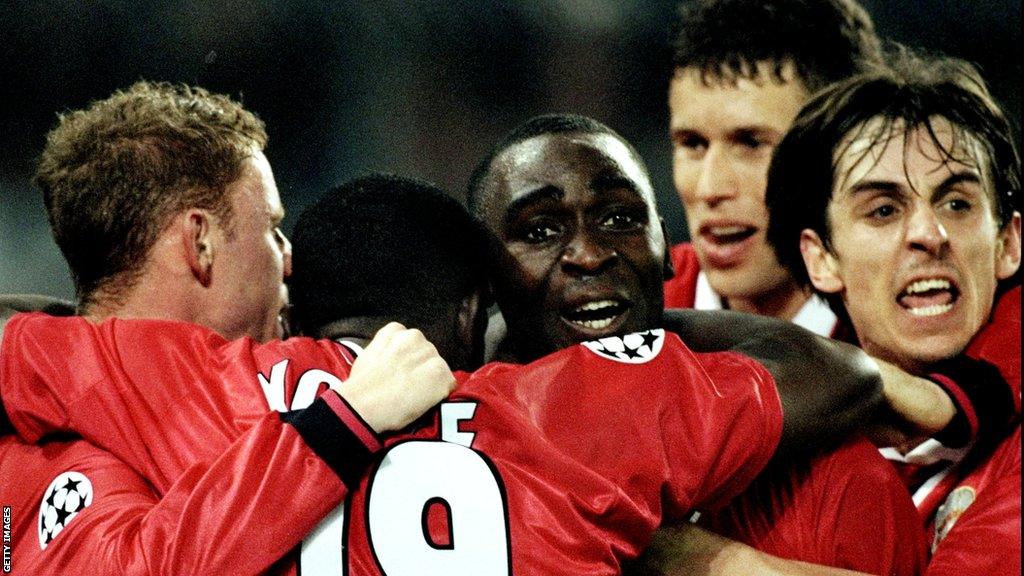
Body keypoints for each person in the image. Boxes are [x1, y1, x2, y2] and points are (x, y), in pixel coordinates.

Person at [6, 174, 900, 574]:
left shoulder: (183, 385)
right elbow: (831, 372)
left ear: (302, 311)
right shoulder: (566, 414)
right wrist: (608, 334)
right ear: (480, 310)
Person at [0, 81, 456, 574]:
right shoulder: (53, 447)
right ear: (201, 243)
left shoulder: (86, 379)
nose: (288, 258)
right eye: (271, 227)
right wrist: (347, 420)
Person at [467, 113, 932, 574]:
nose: (589, 255)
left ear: (666, 250)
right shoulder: (428, 451)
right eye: (540, 231)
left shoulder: (833, 481)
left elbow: (847, 375)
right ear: (484, 280)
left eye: (619, 218)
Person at [765, 51, 1020, 575]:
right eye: (884, 210)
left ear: (1008, 242)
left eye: (957, 203)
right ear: (822, 258)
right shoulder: (777, 454)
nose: (930, 234)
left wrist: (705, 562)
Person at [664, 0, 884, 339]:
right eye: (693, 144)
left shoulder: (920, 321)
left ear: (844, 150)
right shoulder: (629, 312)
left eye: (751, 143)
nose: (710, 188)